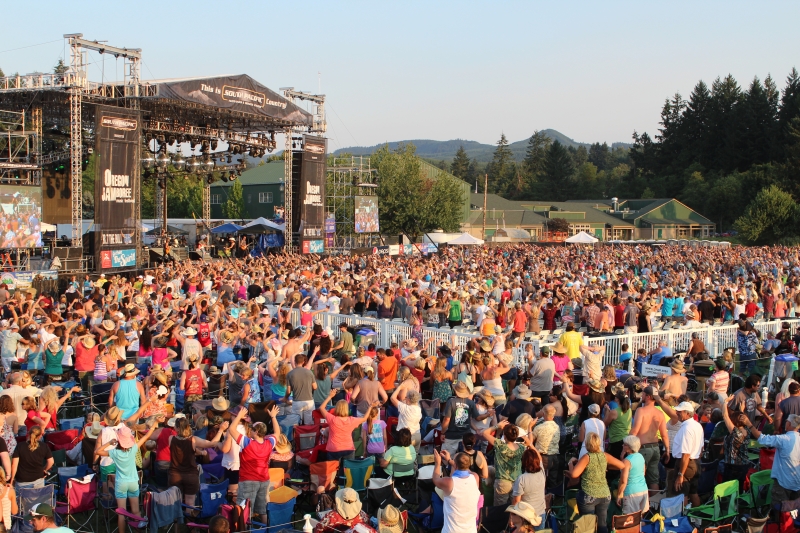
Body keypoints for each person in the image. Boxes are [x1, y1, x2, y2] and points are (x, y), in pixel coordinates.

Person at [95, 422, 158, 533]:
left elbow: (97, 451)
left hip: (121, 483)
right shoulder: (133, 449)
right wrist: (154, 424)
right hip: (133, 482)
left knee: (121, 513)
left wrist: (109, 443)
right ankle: (138, 531)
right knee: (136, 511)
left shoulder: (114, 452)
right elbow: (147, 436)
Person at [228, 404, 281, 524]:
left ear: (256, 432)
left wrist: (239, 416)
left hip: (248, 480)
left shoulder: (247, 443)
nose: (250, 429)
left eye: (252, 428)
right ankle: (266, 529)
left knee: (243, 508)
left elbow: (231, 430)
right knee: (262, 509)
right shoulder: (269, 443)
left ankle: (243, 530)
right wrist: (273, 417)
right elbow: (277, 433)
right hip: (263, 479)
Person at [567, 433, 625, 533]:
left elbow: (574, 475)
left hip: (589, 494)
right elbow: (621, 465)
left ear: (587, 443)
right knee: (602, 524)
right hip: (604, 494)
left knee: (587, 526)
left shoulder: (587, 457)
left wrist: (570, 463)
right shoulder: (605, 456)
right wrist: (606, 467)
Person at [748, 413, 800, 503]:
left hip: (783, 484)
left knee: (779, 511)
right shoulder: (787, 439)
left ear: (789, 424)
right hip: (797, 483)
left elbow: (762, 438)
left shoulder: (783, 439)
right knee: (794, 512)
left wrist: (749, 424)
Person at [483, 420, 533, 506]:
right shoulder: (521, 448)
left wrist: (497, 426)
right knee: (514, 507)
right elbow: (530, 443)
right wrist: (530, 428)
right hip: (517, 482)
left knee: (499, 509)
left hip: (502, 482)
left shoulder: (500, 445)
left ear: (505, 436)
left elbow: (484, 433)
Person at [630, 386, 670, 490]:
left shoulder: (641, 411)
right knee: (653, 479)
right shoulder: (660, 413)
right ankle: (653, 504)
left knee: (638, 477)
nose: (641, 395)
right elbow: (664, 434)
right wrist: (668, 450)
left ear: (648, 396)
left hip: (643, 448)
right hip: (655, 448)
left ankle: (640, 503)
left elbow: (635, 430)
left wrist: (626, 445)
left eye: (643, 393)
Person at [433, 449, 481, 533]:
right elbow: (466, 469)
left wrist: (437, 463)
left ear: (455, 465)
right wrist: (449, 460)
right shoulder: (475, 477)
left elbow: (435, 479)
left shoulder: (449, 482)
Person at [668, 402, 704, 507]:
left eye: (680, 411)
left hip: (686, 465)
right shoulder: (697, 425)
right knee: (693, 493)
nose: (677, 413)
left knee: (681, 494)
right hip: (695, 462)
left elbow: (686, 454)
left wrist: (680, 475)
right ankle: (697, 518)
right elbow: (701, 448)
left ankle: (682, 520)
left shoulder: (686, 428)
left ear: (687, 413)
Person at [320, 391, 369, 461]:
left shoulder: (332, 419)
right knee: (348, 471)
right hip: (348, 448)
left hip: (334, 449)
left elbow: (321, 408)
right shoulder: (351, 420)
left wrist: (330, 397)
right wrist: (370, 407)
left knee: (333, 470)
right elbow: (364, 418)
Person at [510, 448, 547, 529]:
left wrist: (512, 517)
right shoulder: (542, 472)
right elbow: (540, 457)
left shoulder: (521, 479)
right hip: (541, 514)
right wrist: (530, 444)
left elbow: (516, 501)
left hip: (526, 516)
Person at [616, 435, 649, 514]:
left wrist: (619, 495)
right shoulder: (640, 456)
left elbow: (624, 481)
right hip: (643, 490)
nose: (622, 445)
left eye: (625, 444)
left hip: (631, 492)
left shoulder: (627, 461)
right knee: (640, 517)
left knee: (630, 520)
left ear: (630, 447)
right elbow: (643, 473)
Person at [441, 381, 474, 457]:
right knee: (463, 461)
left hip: (451, 436)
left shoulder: (451, 402)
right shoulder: (471, 403)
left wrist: (442, 433)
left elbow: (446, 419)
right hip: (465, 436)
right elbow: (474, 418)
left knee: (446, 459)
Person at [530, 405, 560, 489]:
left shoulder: (539, 427)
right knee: (552, 479)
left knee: (540, 478)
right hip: (554, 455)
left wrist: (530, 427)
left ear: (543, 413)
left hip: (542, 456)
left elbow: (530, 440)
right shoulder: (557, 427)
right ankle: (552, 496)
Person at [285, 353, 318, 424]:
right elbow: (315, 387)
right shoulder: (309, 372)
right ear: (303, 362)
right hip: (309, 401)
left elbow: (288, 391)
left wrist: (285, 398)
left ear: (295, 362)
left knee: (296, 423)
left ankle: (296, 435)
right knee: (309, 424)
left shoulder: (290, 374)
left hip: (297, 401)